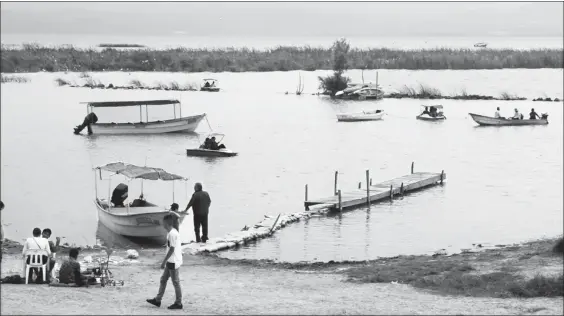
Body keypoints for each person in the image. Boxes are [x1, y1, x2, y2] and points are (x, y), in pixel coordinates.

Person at [146, 214, 183, 310]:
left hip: (172, 261)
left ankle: (178, 303)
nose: (162, 224)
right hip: (172, 261)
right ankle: (158, 300)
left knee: (175, 282)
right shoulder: (172, 232)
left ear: (167, 223)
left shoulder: (172, 234)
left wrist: (164, 261)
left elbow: (172, 249)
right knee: (163, 280)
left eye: (163, 222)